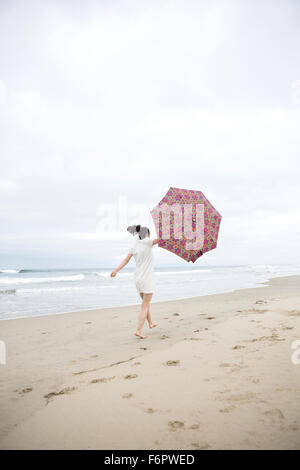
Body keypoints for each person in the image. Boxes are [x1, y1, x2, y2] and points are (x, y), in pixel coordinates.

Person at [110, 224, 159, 339]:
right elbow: (162, 239)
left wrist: (116, 270)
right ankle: (138, 330)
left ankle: (150, 323)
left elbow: (126, 260)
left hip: (138, 279)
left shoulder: (135, 246)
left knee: (145, 303)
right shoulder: (148, 241)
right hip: (147, 278)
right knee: (145, 305)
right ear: (146, 234)